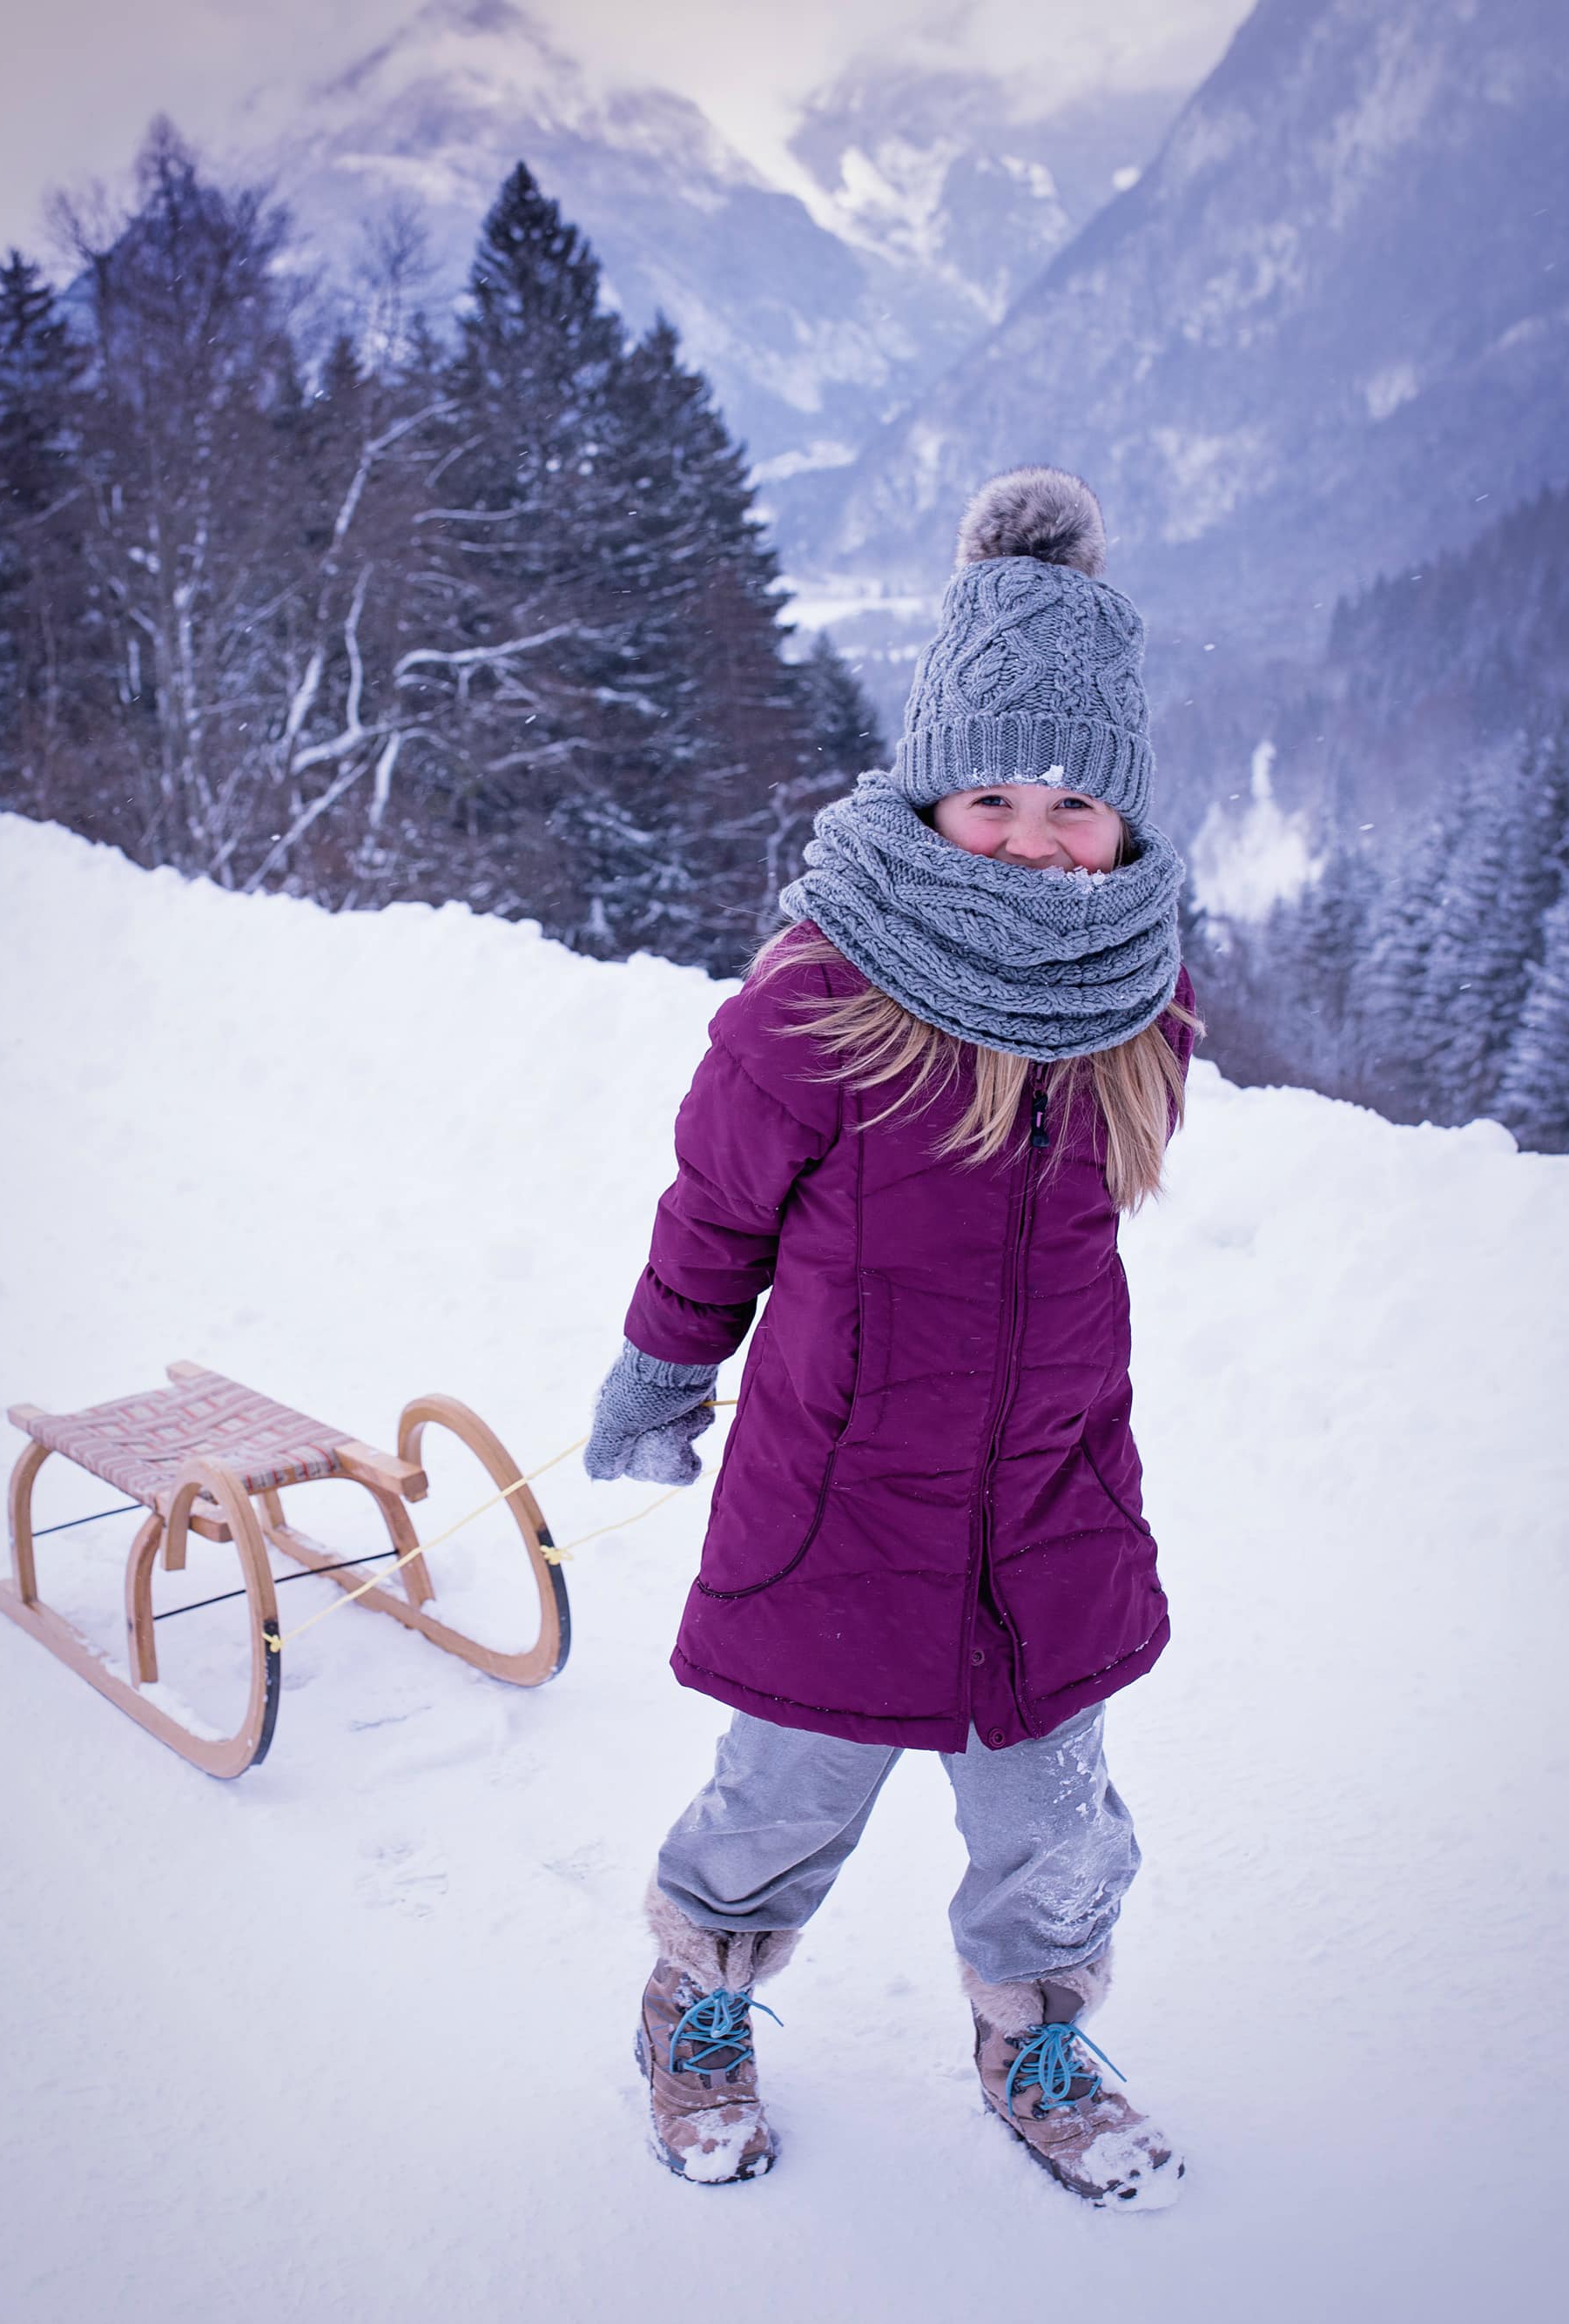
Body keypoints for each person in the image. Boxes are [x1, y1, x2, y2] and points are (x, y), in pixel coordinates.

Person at [587, 468, 1196, 2210]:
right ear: (926, 792)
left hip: (1049, 1510)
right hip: (845, 1503)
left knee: (1059, 1831)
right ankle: (693, 2000)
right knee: (781, 1797)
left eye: (1076, 803)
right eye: (989, 793)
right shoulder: (818, 998)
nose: (1028, 832)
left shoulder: (1134, 1007)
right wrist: (659, 1372)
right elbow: (714, 1216)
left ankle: (1039, 2035)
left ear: (1129, 824)